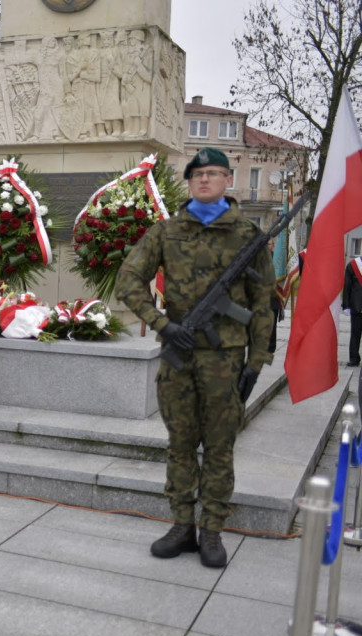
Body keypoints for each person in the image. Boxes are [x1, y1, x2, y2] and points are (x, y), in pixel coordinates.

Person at [117, 147, 275, 568]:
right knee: (180, 446)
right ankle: (182, 526)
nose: (205, 179)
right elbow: (129, 280)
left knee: (220, 447)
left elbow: (263, 305)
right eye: (197, 174)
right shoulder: (165, 233)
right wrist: (162, 324)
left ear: (228, 180)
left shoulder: (248, 237)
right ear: (188, 182)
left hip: (225, 360)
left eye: (214, 173)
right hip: (179, 357)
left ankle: (213, 532)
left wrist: (256, 363)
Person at [342, 255, 362, 367]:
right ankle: (354, 358)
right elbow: (347, 286)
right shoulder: (353, 265)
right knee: (355, 333)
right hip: (357, 306)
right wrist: (346, 305)